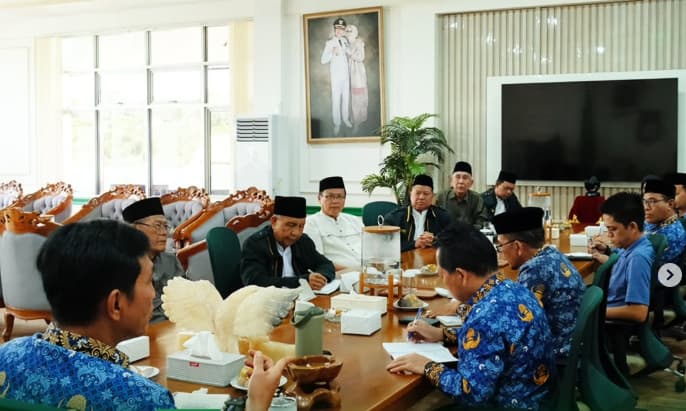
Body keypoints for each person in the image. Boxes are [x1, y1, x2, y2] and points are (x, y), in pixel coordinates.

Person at [0, 220, 175, 410]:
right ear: (116, 304)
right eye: (149, 282)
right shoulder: (144, 399)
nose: (154, 294)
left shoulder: (5, 357)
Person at [386, 223, 554, 410]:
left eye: (442, 275)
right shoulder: (513, 288)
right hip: (538, 396)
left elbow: (471, 393)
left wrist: (427, 366)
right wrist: (442, 335)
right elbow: (498, 339)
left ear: (460, 275)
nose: (443, 280)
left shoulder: (484, 317)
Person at [492, 207, 585, 361]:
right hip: (574, 344)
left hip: (557, 353)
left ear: (517, 246)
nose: (500, 252)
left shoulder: (534, 269)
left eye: (500, 246)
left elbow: (516, 321)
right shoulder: (552, 254)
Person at [589, 192, 654, 376]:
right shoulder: (631, 247)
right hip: (607, 306)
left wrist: (595, 312)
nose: (609, 235)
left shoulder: (638, 258)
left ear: (632, 226)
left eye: (613, 229)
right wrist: (608, 251)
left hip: (609, 321)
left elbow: (639, 312)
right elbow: (622, 264)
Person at [241, 195, 335, 289]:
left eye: (301, 226)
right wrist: (300, 281)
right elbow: (254, 281)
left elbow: (325, 264)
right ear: (274, 222)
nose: (296, 233)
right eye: (290, 225)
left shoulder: (303, 241)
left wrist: (319, 279)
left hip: (302, 295)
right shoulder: (255, 244)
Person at [123, 197, 186, 323]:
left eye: (165, 226)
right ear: (136, 229)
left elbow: (187, 295)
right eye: (157, 226)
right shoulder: (122, 263)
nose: (164, 233)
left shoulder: (171, 260)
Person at [304, 176, 363, 270]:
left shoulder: (354, 220)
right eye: (330, 196)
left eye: (339, 196)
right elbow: (318, 261)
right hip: (337, 274)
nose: (335, 201)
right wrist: (353, 270)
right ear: (319, 198)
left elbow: (370, 249)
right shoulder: (311, 223)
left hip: (366, 271)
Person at [383, 174, 452, 251]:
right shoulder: (394, 218)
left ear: (432, 196)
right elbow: (386, 244)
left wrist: (435, 240)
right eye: (418, 193)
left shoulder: (443, 216)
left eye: (426, 194)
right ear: (410, 194)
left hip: (433, 257)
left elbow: (453, 240)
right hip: (405, 258)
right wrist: (414, 243)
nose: (421, 197)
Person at [642, 178, 686, 266]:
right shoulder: (653, 221)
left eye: (652, 201)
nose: (646, 207)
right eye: (644, 201)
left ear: (670, 204)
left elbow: (641, 263)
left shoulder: (673, 235)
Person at [321, 17, 352, 136]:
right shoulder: (329, 43)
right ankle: (337, 123)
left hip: (345, 75)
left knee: (346, 98)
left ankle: (346, 119)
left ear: (344, 31)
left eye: (342, 29)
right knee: (336, 100)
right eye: (337, 29)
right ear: (334, 30)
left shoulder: (345, 41)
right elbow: (323, 60)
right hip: (336, 76)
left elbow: (349, 53)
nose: (339, 31)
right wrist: (332, 53)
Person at [436, 161, 489, 229]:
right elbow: (435, 221)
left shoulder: (477, 199)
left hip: (469, 234)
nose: (461, 181)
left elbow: (481, 222)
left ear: (471, 183)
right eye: (457, 177)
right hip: (446, 234)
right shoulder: (441, 197)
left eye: (465, 178)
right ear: (451, 180)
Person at [345, 24, 368, 134]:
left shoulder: (358, 43)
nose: (348, 32)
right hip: (348, 73)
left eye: (351, 31)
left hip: (357, 74)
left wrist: (350, 53)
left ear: (355, 32)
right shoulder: (346, 44)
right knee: (350, 97)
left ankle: (357, 122)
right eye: (347, 31)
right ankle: (352, 119)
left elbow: (361, 57)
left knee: (358, 97)